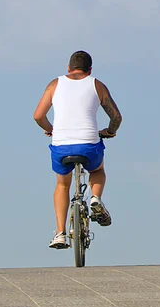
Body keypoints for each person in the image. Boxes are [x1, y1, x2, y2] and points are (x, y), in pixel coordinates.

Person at [33, 50, 122, 249]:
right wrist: (109, 132)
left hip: (61, 145)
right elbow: (116, 117)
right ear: (89, 70)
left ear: (68, 68)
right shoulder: (96, 84)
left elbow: (38, 116)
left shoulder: (54, 85)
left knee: (62, 185)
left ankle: (60, 233)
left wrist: (51, 130)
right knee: (97, 170)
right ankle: (95, 198)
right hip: (89, 143)